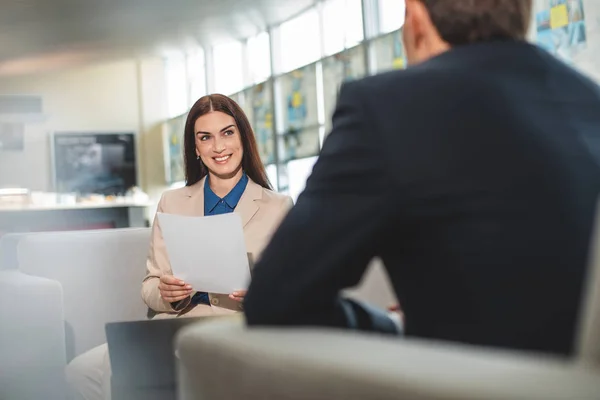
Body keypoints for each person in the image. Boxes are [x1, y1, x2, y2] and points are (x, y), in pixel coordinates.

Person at [244, 0, 600, 357]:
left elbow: (275, 297)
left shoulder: (387, 105)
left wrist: (389, 326)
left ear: (414, 17)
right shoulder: (588, 98)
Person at [66, 93, 293, 399]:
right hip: (174, 324)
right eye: (206, 138)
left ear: (243, 137)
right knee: (80, 371)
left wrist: (260, 296)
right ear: (196, 148)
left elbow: (291, 289)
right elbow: (150, 284)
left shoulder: (278, 206)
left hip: (238, 325)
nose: (219, 146)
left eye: (227, 132)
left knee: (134, 371)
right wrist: (166, 293)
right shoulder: (172, 202)